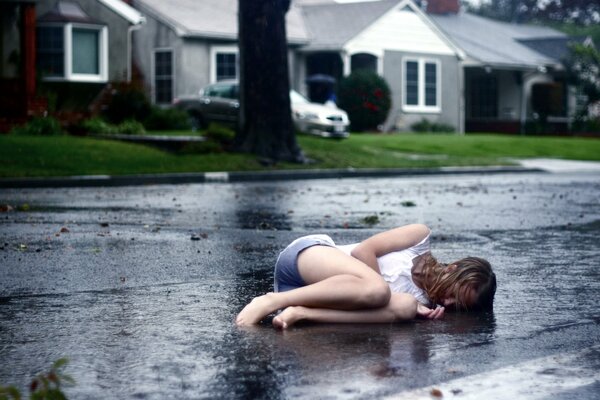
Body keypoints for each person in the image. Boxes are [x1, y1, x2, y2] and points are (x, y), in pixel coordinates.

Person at [236, 224, 496, 329]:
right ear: (453, 268)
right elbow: (364, 250)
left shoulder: (423, 302)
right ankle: (270, 301)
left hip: (316, 296)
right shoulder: (419, 238)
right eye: (454, 295)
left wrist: (415, 308)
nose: (448, 304)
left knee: (404, 307)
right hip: (307, 259)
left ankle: (301, 312)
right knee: (379, 291)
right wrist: (386, 294)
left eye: (458, 306)